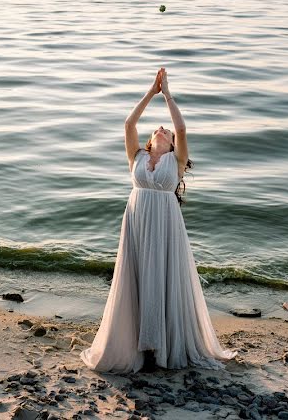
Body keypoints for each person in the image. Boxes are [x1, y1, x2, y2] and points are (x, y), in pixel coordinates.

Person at [80, 66, 237, 373]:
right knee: (137, 278)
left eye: (166, 131)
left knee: (163, 278)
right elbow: (129, 123)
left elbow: (182, 128)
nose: (162, 128)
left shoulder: (175, 162)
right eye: (158, 129)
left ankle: (161, 348)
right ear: (150, 141)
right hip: (137, 221)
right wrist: (150, 92)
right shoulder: (136, 157)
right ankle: (138, 347)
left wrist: (167, 95)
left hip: (165, 224)